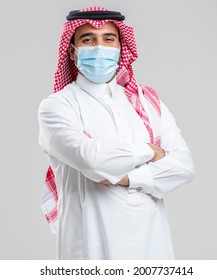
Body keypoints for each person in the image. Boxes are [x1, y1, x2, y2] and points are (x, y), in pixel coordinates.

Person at [38, 6, 195, 260]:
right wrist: (150, 151)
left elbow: (184, 166)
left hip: (152, 247)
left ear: (121, 47)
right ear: (72, 50)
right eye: (88, 39)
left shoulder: (147, 102)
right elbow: (93, 159)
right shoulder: (57, 106)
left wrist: (125, 177)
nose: (100, 47)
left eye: (108, 39)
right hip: (91, 248)